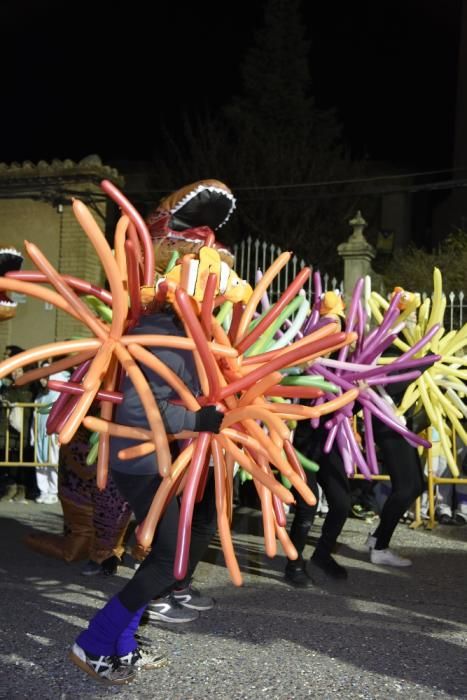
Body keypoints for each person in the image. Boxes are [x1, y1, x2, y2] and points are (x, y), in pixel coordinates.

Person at [69, 303, 224, 684]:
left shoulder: (162, 332)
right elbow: (139, 410)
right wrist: (195, 421)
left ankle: (122, 645)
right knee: (170, 559)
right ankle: (95, 640)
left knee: (161, 553)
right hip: (140, 460)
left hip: (147, 459)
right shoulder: (166, 339)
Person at [284, 290, 350, 586]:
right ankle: (294, 565)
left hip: (329, 439)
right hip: (303, 441)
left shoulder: (345, 367)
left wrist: (356, 393)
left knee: (341, 502)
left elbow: (351, 406)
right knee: (307, 503)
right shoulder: (300, 367)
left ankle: (322, 554)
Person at [30, 361, 70, 504]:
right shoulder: (39, 397)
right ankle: (43, 490)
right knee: (40, 462)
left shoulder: (58, 396)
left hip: (52, 435)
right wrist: (33, 436)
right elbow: (34, 420)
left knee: (53, 462)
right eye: (40, 378)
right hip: (41, 436)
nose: (42, 381)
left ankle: (53, 491)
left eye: (45, 377)